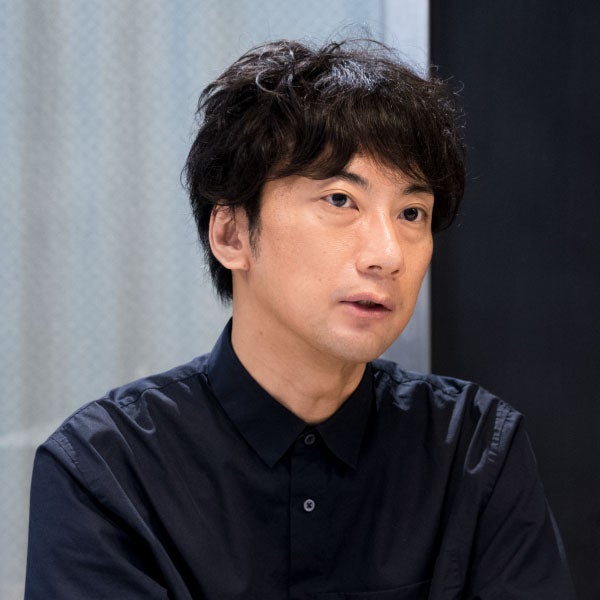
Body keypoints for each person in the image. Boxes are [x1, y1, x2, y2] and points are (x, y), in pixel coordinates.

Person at [25, 39, 576, 599]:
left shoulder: (474, 450)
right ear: (231, 234)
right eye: (340, 200)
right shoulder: (106, 471)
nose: (388, 254)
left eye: (412, 213)